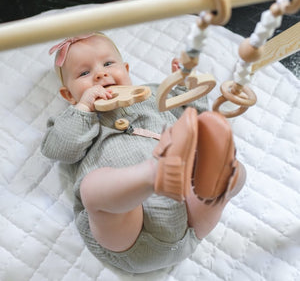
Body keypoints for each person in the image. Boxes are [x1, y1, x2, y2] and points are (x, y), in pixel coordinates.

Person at [41, 32, 246, 273]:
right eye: (84, 73)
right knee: (92, 187)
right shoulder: (73, 118)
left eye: (108, 64)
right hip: (128, 238)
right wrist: (84, 107)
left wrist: (184, 84)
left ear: (126, 69)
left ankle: (223, 178)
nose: (100, 74)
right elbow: (60, 149)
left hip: (189, 220)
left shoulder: (152, 93)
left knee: (227, 167)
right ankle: (153, 173)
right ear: (68, 94)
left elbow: (191, 114)